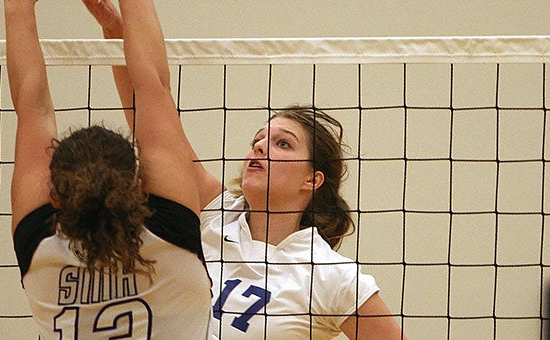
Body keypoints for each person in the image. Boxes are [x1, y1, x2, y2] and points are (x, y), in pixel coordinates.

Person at [82, 1, 406, 338]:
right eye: (259, 139)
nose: (261, 146)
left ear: (312, 179)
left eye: (283, 144)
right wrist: (114, 30)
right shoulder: (216, 213)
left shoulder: (332, 276)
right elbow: (151, 110)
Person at [4, 0, 210, 338]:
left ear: (55, 196)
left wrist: (17, 8)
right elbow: (152, 85)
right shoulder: (172, 234)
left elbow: (32, 106)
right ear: (140, 186)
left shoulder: (39, 249)